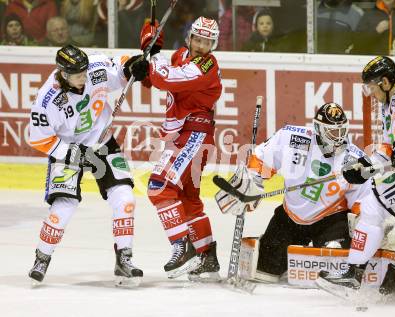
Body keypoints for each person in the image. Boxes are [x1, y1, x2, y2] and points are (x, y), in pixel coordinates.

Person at [316, 56, 395, 296]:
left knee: (373, 207)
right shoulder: (389, 106)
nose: (370, 93)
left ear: (384, 81)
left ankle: (352, 273)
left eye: (371, 86)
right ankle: (369, 272)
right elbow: (390, 149)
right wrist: (365, 166)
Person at [27, 44, 146, 287]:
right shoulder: (47, 99)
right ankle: (42, 258)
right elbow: (37, 138)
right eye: (78, 74)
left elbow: (121, 69)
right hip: (67, 149)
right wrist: (72, 153)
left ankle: (124, 258)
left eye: (84, 71)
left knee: (125, 198)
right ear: (63, 73)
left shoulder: (94, 67)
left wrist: (133, 66)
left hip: (101, 141)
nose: (84, 76)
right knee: (64, 206)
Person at [217, 103, 371, 282]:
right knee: (265, 272)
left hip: (331, 220)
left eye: (341, 131)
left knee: (335, 272)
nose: (338, 138)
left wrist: (364, 221)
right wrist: (251, 182)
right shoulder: (292, 137)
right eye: (332, 132)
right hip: (290, 217)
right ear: (318, 129)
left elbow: (363, 198)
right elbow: (261, 158)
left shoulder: (354, 160)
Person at [127, 17, 222, 281]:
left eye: (208, 42)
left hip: (194, 134)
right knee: (188, 200)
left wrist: (154, 61)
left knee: (160, 187)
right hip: (185, 135)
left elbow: (170, 79)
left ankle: (183, 247)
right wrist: (148, 51)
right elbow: (155, 77)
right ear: (189, 37)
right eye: (198, 39)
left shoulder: (206, 65)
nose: (202, 46)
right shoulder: (181, 54)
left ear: (213, 44)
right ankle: (207, 257)